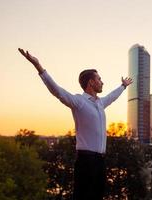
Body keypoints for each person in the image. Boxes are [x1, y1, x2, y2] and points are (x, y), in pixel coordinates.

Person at [18, 48, 133, 200]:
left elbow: (112, 96)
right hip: (85, 160)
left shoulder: (100, 103)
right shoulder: (79, 102)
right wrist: (38, 67)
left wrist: (123, 86)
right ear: (91, 82)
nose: (102, 81)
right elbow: (57, 91)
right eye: (99, 79)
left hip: (100, 161)